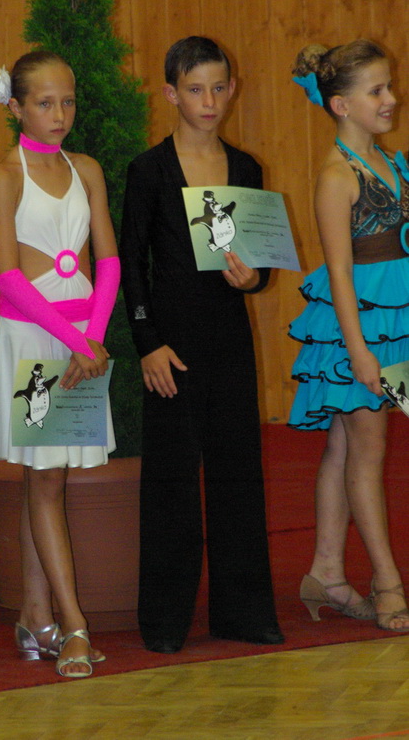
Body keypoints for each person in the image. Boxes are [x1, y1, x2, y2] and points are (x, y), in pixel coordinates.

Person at [120, 36, 283, 653]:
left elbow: (260, 263)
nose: (209, 101)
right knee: (171, 480)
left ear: (232, 89)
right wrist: (148, 343)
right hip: (171, 344)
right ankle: (165, 620)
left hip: (229, 339)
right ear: (171, 94)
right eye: (195, 89)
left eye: (218, 87)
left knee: (238, 472)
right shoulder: (149, 171)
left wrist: (254, 279)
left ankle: (244, 612)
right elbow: (132, 265)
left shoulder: (246, 169)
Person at [0, 51, 120, 678]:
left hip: (81, 343)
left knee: (48, 479)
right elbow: (9, 278)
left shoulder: (86, 169)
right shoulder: (5, 176)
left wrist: (93, 336)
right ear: (15, 107)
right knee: (44, 480)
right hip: (34, 344)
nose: (59, 114)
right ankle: (75, 626)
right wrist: (75, 340)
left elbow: (107, 260)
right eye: (44, 103)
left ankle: (35, 617)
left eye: (67, 102)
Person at [289, 40, 409, 632]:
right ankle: (388, 582)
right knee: (367, 450)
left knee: (344, 446)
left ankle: (326, 572)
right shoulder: (337, 176)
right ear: (340, 105)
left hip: (393, 322)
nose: (391, 99)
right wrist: (359, 351)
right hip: (357, 332)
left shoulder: (393, 162)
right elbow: (339, 270)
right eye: (377, 91)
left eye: (389, 87)